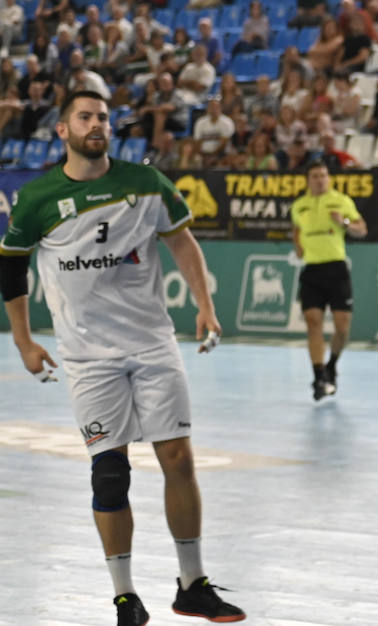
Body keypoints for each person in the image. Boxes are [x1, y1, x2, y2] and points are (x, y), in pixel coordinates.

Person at [1, 91, 244, 626]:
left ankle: (191, 585)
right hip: (87, 357)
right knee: (110, 475)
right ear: (61, 130)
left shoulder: (145, 182)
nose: (97, 124)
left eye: (103, 117)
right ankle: (125, 596)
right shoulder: (38, 198)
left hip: (152, 344)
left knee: (178, 458)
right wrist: (23, 341)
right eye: (84, 117)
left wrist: (205, 307)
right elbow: (11, 270)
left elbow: (183, 243)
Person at [289, 160, 367, 401]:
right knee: (313, 322)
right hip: (312, 270)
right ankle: (318, 376)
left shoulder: (342, 201)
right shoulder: (299, 206)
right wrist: (298, 245)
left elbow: (361, 229)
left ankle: (332, 364)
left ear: (329, 178)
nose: (320, 180)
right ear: (308, 179)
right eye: (315, 176)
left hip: (336, 268)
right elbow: (296, 229)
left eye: (323, 175)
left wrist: (343, 222)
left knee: (342, 328)